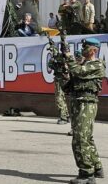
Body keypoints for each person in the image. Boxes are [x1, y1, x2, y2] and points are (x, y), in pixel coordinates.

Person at [63, 38, 105, 183]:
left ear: (94, 50)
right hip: (77, 103)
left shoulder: (97, 64)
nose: (83, 49)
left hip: (87, 104)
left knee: (80, 139)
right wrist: (63, 73)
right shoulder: (83, 64)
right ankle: (97, 166)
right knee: (86, 137)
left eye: (86, 47)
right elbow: (69, 86)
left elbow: (79, 72)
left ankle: (86, 174)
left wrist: (69, 58)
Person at [47, 44, 70, 125]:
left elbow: (71, 68)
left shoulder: (70, 58)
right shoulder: (58, 57)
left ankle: (64, 117)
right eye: (64, 49)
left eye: (66, 49)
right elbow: (50, 65)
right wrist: (53, 62)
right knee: (60, 97)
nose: (65, 50)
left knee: (60, 98)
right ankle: (65, 116)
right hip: (59, 78)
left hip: (66, 79)